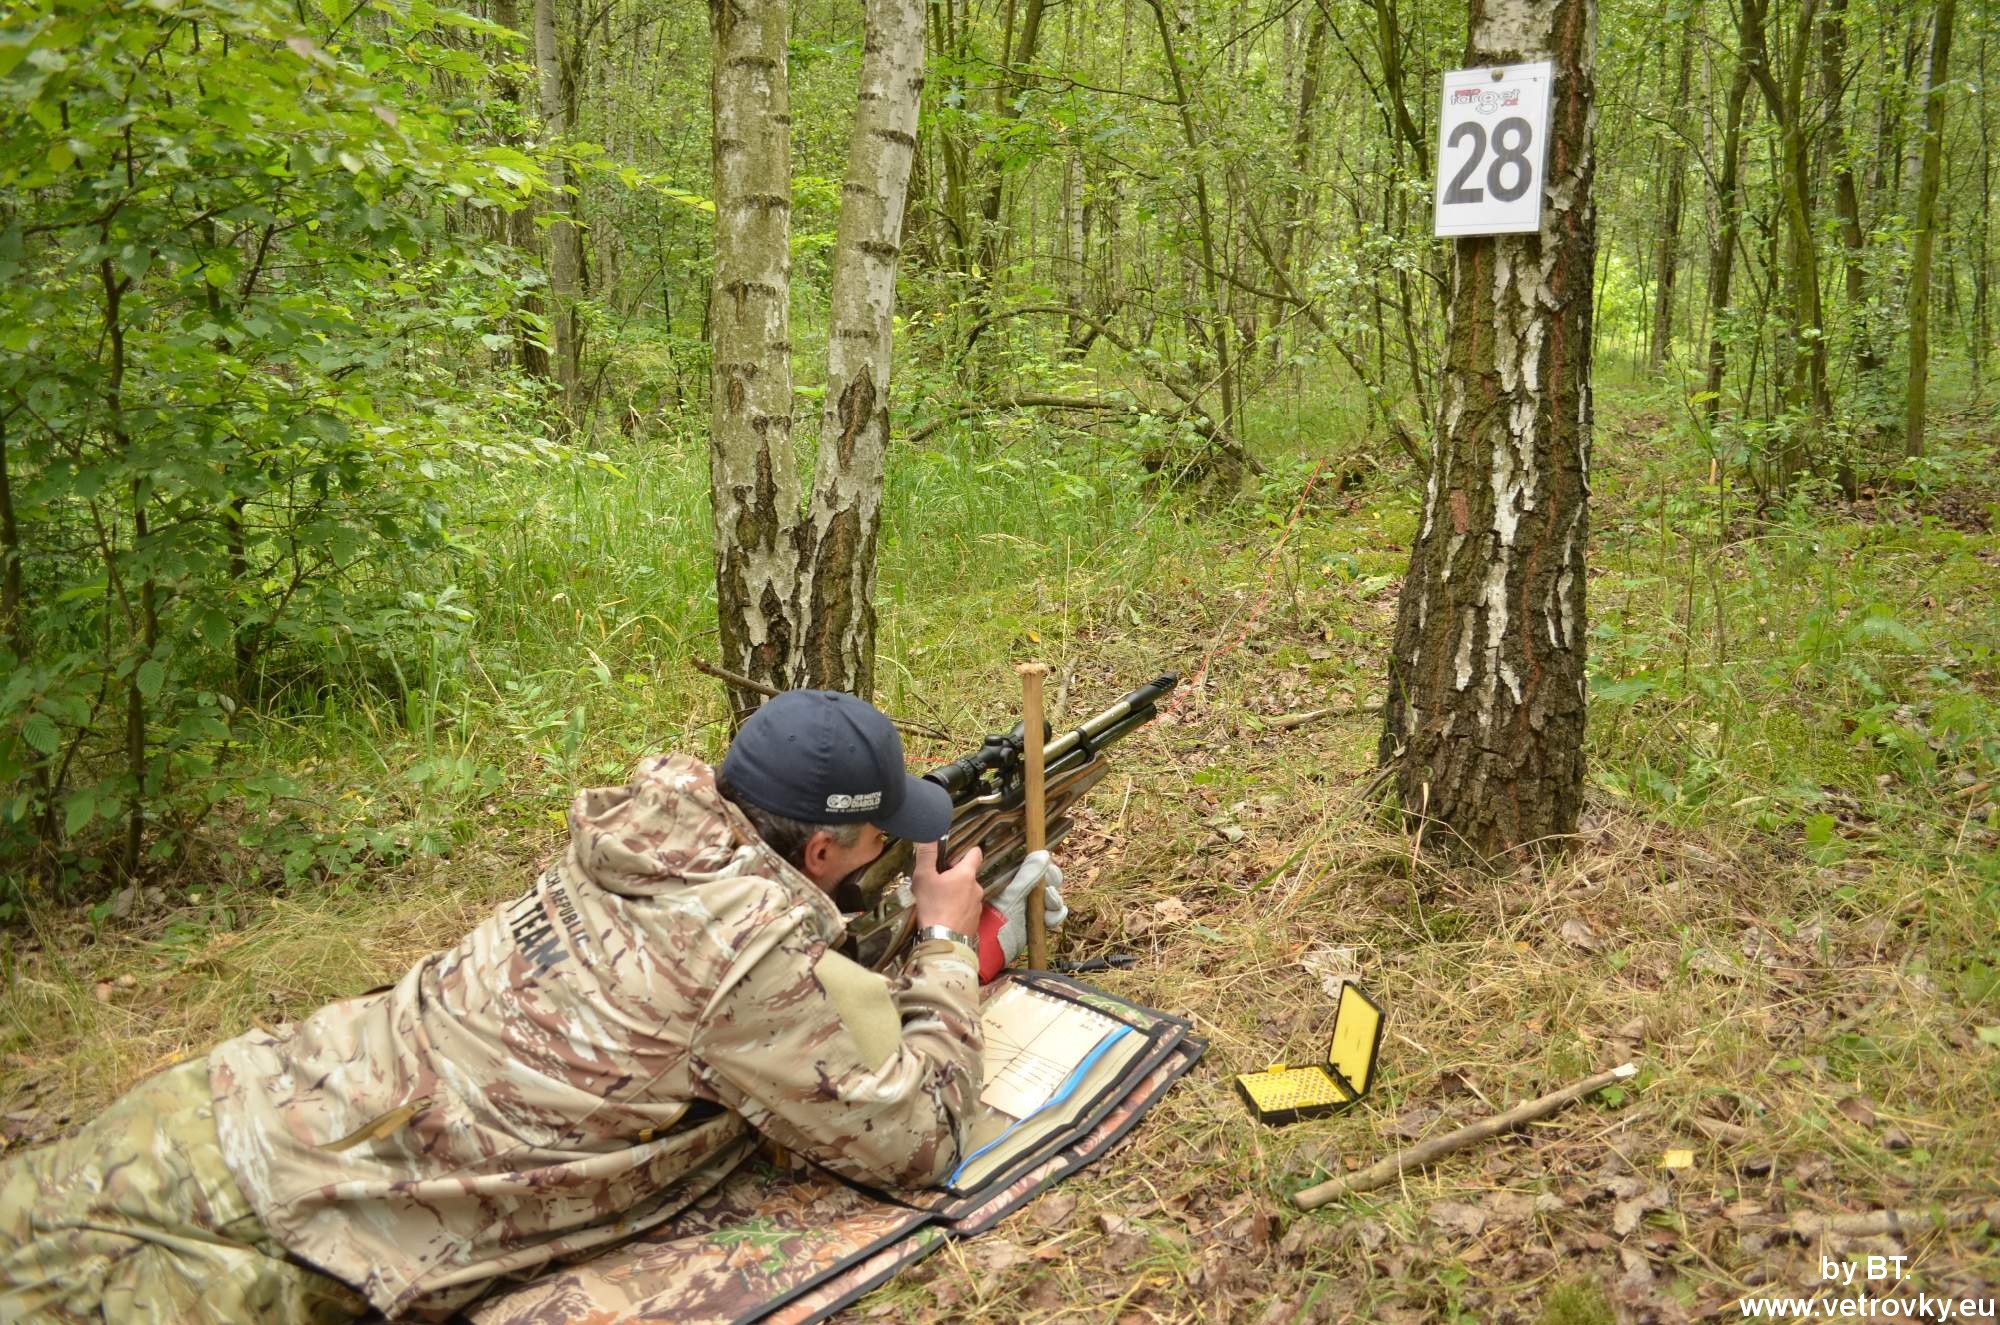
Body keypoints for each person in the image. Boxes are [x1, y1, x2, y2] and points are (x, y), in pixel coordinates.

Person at [0, 688, 1068, 1323]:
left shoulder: (643, 835)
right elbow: (917, 1138)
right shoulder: (746, 953)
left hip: (225, 1098)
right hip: (280, 1237)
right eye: (879, 838)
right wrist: (940, 939)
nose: (885, 852)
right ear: (825, 850)